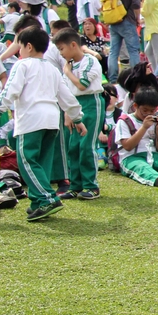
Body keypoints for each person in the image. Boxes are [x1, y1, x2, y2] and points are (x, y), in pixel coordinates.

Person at [0, 26, 85, 221]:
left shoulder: (22, 65)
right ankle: (38, 201)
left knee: (27, 161)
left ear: (28, 47)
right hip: (51, 119)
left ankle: (47, 198)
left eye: (19, 46)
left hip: (31, 119)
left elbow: (10, 89)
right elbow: (66, 95)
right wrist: (76, 117)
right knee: (42, 162)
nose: (18, 50)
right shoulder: (52, 68)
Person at [54, 29, 104, 200]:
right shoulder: (69, 65)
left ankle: (91, 186)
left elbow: (82, 85)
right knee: (73, 146)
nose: (61, 53)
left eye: (62, 49)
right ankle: (75, 185)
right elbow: (66, 90)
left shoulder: (89, 61)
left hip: (91, 102)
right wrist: (68, 112)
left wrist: (67, 72)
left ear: (73, 45)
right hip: (74, 105)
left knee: (86, 145)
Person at [106, 0, 143, 82]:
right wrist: (137, 17)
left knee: (113, 51)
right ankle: (137, 77)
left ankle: (112, 78)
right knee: (133, 50)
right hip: (127, 21)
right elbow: (136, 3)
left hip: (114, 22)